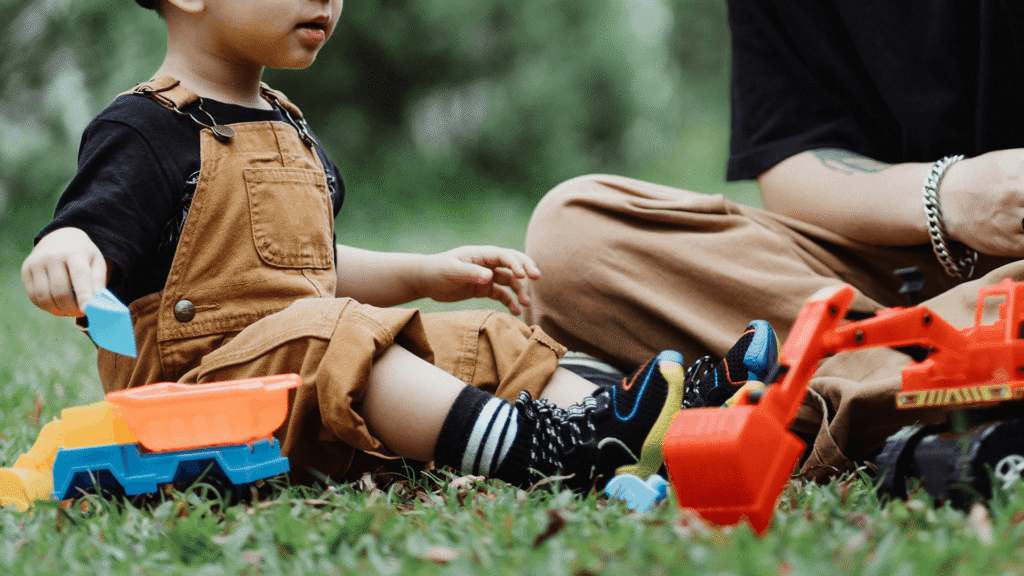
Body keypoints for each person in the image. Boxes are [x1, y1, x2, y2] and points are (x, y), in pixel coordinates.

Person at [18, 0, 750, 494]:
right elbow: (92, 228)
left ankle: (643, 420)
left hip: (314, 364)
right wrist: (68, 250)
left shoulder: (289, 128)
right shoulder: (141, 130)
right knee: (337, 336)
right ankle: (538, 449)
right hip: (200, 399)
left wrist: (425, 272)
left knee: (479, 341)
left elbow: (312, 270)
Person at [523, 0, 1024, 480]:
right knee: (574, 237)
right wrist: (948, 197)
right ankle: (948, 390)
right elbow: (794, 169)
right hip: (882, 280)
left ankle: (754, 406)